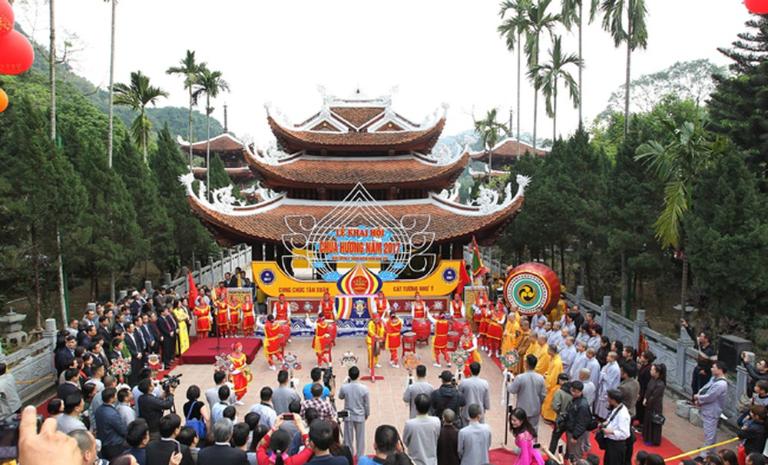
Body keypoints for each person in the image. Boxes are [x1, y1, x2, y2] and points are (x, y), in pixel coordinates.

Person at [694, 361, 729, 454]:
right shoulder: (714, 378)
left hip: (712, 411)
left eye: (714, 367)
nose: (711, 369)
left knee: (710, 434)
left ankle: (704, 455)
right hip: (707, 409)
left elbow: (710, 396)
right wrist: (699, 395)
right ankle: (710, 452)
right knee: (709, 433)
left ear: (720, 370)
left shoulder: (721, 384)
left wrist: (698, 398)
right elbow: (706, 388)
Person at [337, 366, 370, 459]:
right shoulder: (364, 388)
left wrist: (344, 384)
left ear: (349, 376)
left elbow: (340, 396)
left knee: (348, 438)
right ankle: (360, 456)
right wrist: (367, 414)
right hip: (360, 415)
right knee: (360, 438)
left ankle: (349, 455)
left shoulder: (345, 387)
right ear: (358, 375)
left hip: (348, 416)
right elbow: (366, 404)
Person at [507, 354, 546, 430]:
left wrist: (508, 384)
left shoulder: (520, 377)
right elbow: (543, 395)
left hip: (522, 408)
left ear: (526, 364)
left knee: (522, 429)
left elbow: (512, 390)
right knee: (533, 429)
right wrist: (538, 403)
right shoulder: (541, 378)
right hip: (535, 408)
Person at [403, 393, 441, 465]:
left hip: (414, 461)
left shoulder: (410, 424)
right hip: (432, 461)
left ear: (416, 407)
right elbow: (437, 436)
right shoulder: (436, 421)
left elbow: (405, 441)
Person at [682, 320, 717, 395]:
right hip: (698, 368)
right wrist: (687, 327)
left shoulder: (711, 351)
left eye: (701, 336)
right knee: (694, 386)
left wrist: (706, 371)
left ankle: (699, 404)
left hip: (705, 373)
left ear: (706, 339)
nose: (699, 338)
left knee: (702, 389)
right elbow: (693, 337)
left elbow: (714, 363)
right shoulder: (700, 346)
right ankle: (693, 401)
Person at [563, 380, 593, 462]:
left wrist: (575, 436)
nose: (574, 393)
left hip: (575, 433)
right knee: (570, 450)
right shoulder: (576, 400)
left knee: (575, 453)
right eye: (573, 391)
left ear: (581, 391)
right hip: (571, 429)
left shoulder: (582, 405)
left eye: (576, 392)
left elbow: (582, 422)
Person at [95, 387, 128, 460]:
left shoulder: (99, 409)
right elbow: (122, 430)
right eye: (115, 395)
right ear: (111, 399)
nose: (116, 397)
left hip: (104, 442)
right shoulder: (112, 414)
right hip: (114, 445)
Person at [600, 389, 631, 465]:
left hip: (616, 445)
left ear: (613, 400)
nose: (607, 398)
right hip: (611, 442)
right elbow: (612, 419)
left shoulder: (623, 414)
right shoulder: (617, 408)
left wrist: (611, 431)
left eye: (609, 397)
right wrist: (605, 423)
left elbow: (625, 433)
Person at [458, 362, 490, 426]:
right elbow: (486, 398)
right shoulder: (484, 383)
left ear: (470, 370)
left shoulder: (464, 382)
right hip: (479, 411)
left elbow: (459, 395)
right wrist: (486, 407)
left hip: (466, 411)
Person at [547, 374, 573, 453]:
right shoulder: (573, 391)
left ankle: (551, 454)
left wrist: (559, 412)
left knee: (555, 437)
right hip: (571, 419)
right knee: (569, 439)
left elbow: (555, 406)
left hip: (561, 418)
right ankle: (567, 455)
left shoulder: (559, 392)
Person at [542, 344, 564, 422]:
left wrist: (548, 383)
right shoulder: (553, 359)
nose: (547, 351)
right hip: (549, 381)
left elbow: (554, 377)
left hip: (553, 385)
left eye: (548, 350)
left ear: (551, 351)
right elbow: (550, 371)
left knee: (550, 402)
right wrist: (546, 374)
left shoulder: (557, 362)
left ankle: (549, 418)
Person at [596, 352, 621, 419]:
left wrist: (603, 374)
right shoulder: (609, 364)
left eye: (609, 356)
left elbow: (609, 380)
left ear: (613, 358)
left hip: (609, 387)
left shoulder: (615, 368)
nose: (607, 357)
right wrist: (603, 374)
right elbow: (603, 372)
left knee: (605, 405)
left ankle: (603, 418)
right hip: (604, 386)